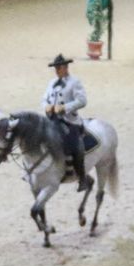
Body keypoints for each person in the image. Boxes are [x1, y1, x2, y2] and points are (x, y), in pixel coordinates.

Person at [42, 53, 91, 192]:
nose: (57, 71)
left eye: (59, 68)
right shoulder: (51, 83)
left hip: (69, 120)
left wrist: (65, 107)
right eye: (55, 68)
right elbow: (44, 98)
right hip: (52, 119)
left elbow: (82, 101)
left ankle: (82, 178)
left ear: (65, 68)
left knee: (74, 144)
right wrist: (46, 106)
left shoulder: (74, 82)